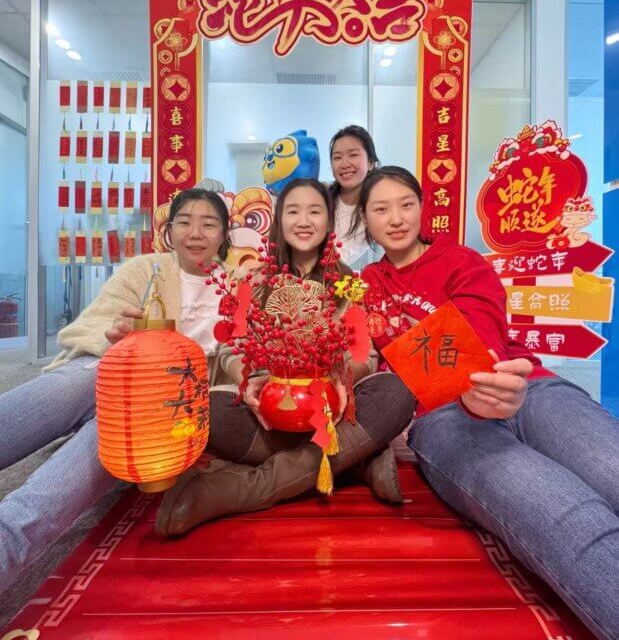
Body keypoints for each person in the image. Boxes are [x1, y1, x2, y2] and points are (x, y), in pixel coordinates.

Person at [357, 165, 619, 640]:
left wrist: (487, 375)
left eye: (405, 204)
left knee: (612, 469)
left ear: (422, 207)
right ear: (365, 220)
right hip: (442, 417)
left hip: (525, 384)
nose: (396, 218)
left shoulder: (461, 260)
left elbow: (482, 324)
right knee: (563, 511)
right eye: (380, 208)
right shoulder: (364, 285)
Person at [0, 187, 233, 593]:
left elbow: (238, 358)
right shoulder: (144, 270)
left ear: (224, 235)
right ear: (169, 230)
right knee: (70, 385)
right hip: (104, 368)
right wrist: (116, 336)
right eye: (184, 222)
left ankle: (8, 542)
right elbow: (89, 327)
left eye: (209, 223)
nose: (195, 232)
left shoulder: (236, 286)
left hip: (161, 404)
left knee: (55, 489)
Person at [155, 178, 415, 536]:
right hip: (270, 414)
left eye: (315, 210)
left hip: (331, 414)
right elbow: (232, 347)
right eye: (293, 211)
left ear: (329, 222)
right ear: (279, 220)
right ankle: (355, 461)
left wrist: (341, 376)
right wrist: (251, 381)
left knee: (395, 391)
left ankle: (239, 488)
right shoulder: (256, 279)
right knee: (204, 409)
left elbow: (364, 353)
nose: (304, 220)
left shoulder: (348, 283)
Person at [329, 125, 380, 270]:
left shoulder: (381, 208)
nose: (345, 164)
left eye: (353, 155)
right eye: (337, 157)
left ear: (370, 162)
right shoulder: (321, 201)